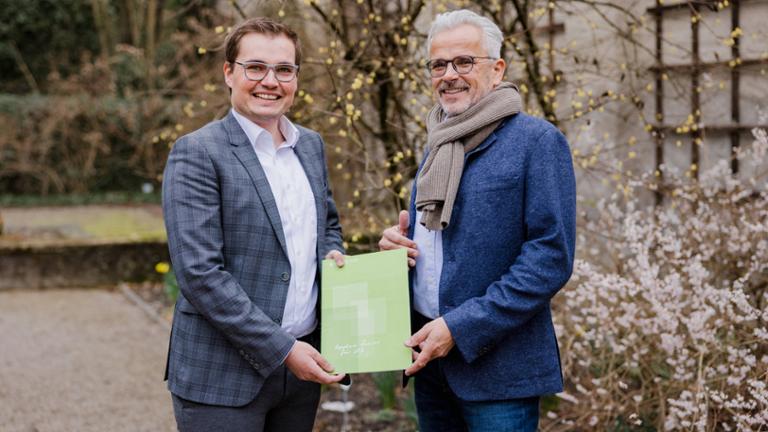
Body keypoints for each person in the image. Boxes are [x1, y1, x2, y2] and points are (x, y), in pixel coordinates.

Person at [379, 9, 576, 432]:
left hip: (498, 372)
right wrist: (397, 246)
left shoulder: (537, 142)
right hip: (429, 363)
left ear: (497, 68)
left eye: (464, 62)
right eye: (438, 65)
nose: (449, 74)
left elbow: (550, 258)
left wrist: (461, 326)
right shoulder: (438, 143)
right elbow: (439, 246)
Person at [162, 17, 346, 432]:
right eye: (255, 67)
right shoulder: (197, 153)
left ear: (296, 77)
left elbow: (328, 226)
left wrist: (334, 256)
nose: (271, 81)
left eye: (284, 69)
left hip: (302, 369)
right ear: (229, 72)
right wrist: (282, 349)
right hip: (222, 375)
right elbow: (200, 273)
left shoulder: (310, 146)